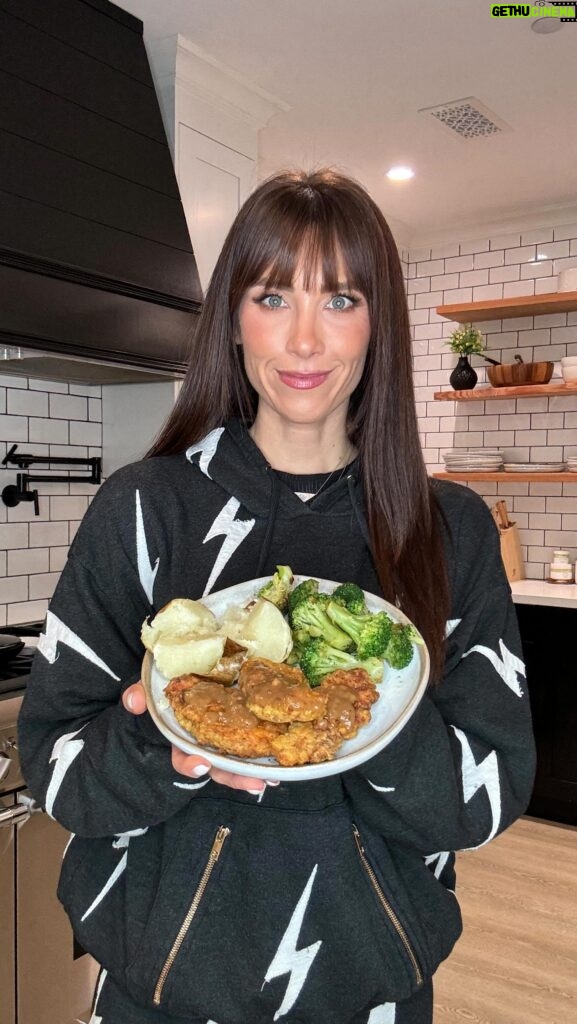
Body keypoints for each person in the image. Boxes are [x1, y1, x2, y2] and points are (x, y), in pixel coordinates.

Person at [18, 168, 536, 1024]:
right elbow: (56, 771)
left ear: (379, 324)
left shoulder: (450, 529)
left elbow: (484, 796)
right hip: (161, 988)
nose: (303, 340)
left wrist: (366, 719)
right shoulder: (143, 509)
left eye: (338, 301)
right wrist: (165, 745)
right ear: (231, 318)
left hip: (370, 986)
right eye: (270, 296)